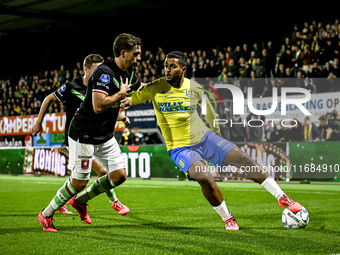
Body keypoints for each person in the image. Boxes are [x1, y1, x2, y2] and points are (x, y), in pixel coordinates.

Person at [121, 51, 302, 231]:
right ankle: (228, 218)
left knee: (243, 159)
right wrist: (125, 102)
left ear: (183, 69)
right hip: (179, 148)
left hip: (205, 138)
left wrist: (216, 133)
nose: (167, 70)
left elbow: (209, 110)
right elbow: (133, 98)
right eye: (165, 66)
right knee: (205, 177)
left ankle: (282, 196)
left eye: (172, 66)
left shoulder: (195, 88)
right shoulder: (155, 87)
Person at [38, 33, 142, 232]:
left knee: (119, 175)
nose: (139, 58)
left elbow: (141, 89)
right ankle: (46, 214)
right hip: (83, 133)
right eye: (135, 54)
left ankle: (81, 201)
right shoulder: (104, 73)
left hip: (104, 134)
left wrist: (160, 89)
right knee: (79, 181)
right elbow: (98, 106)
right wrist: (119, 95)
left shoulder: (128, 74)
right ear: (123, 52)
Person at [32, 54, 130, 217]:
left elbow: (99, 111)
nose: (101, 72)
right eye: (97, 69)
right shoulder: (72, 86)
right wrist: (38, 122)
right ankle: (113, 202)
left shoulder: (100, 88)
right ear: (86, 69)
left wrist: (119, 116)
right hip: (78, 137)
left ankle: (64, 203)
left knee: (79, 178)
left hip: (93, 137)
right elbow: (49, 98)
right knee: (98, 173)